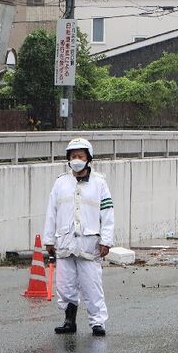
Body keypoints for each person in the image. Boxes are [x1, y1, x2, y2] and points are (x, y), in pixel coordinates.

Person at [43, 137, 114, 337]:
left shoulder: (99, 183)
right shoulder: (60, 183)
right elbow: (52, 212)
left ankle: (97, 323)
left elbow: (107, 213)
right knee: (65, 286)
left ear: (88, 158)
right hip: (65, 243)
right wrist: (49, 240)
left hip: (89, 245)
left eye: (80, 156)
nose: (76, 159)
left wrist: (106, 241)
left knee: (92, 286)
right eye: (73, 156)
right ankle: (69, 320)